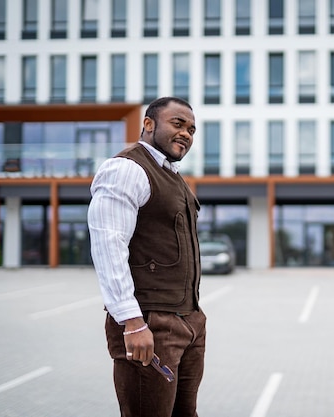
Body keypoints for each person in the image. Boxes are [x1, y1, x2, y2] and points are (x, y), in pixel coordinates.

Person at [88, 97, 205, 417]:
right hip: (149, 323)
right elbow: (108, 246)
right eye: (178, 124)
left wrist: (195, 320)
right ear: (149, 124)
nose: (186, 134)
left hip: (188, 320)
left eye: (192, 129)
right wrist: (133, 322)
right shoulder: (126, 168)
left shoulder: (174, 177)